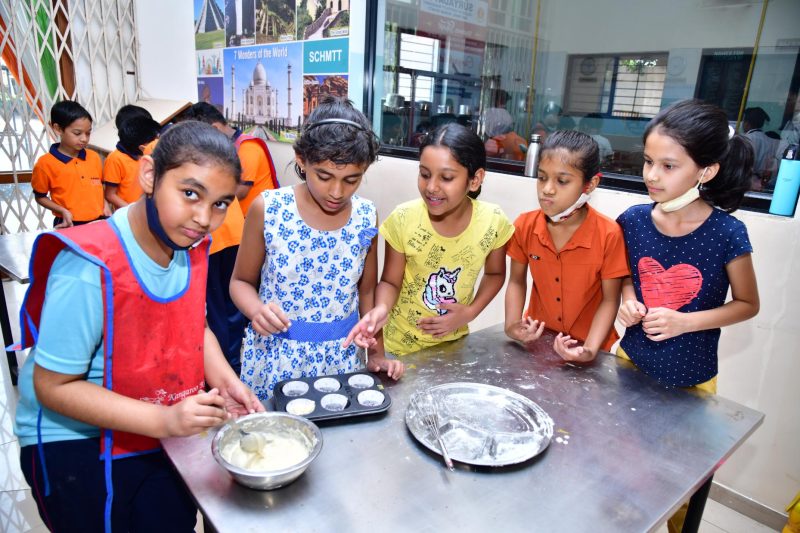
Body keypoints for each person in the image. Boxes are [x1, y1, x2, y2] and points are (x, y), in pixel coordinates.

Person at [13, 121, 264, 532]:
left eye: (220, 203)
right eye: (190, 193)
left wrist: (225, 381)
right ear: (149, 175)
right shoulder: (89, 265)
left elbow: (192, 329)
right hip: (77, 443)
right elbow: (53, 386)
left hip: (156, 423)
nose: (204, 218)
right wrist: (164, 421)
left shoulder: (189, 245)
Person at [615, 99, 759, 533]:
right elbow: (623, 276)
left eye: (668, 165)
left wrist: (685, 321)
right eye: (647, 162)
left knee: (676, 484)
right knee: (623, 470)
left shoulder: (727, 232)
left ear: (706, 171)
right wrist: (627, 298)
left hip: (692, 379)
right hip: (630, 366)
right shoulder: (634, 220)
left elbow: (748, 304)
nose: (651, 175)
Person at [231, 96, 404, 400]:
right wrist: (255, 309)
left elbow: (366, 293)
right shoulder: (268, 209)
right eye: (324, 176)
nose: (337, 192)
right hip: (277, 358)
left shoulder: (366, 215)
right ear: (301, 159)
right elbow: (241, 282)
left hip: (340, 359)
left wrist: (377, 354)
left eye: (352, 179)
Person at [344, 123, 514, 356]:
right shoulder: (403, 219)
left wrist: (470, 312)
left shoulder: (493, 222)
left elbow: (495, 274)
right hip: (399, 348)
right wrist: (381, 308)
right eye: (424, 174)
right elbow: (390, 282)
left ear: (475, 180)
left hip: (453, 346)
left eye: (446, 177)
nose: (431, 187)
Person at [504, 130, 629, 362]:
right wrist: (512, 324)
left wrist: (589, 350)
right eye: (542, 177)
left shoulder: (609, 234)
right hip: (538, 338)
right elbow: (516, 280)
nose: (547, 189)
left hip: (590, 345)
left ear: (590, 184)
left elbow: (610, 299)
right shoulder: (525, 225)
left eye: (562, 181)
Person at [189, 101, 279, 214]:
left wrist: (203, 198)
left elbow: (241, 192)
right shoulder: (223, 146)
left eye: (202, 137)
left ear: (215, 129)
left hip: (256, 218)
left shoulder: (248, 148)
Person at [32, 100, 109, 228]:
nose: (84, 138)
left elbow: (99, 187)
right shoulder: (45, 163)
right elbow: (40, 197)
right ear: (58, 129)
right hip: (68, 223)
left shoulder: (94, 157)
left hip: (99, 220)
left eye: (88, 133)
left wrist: (105, 205)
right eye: (77, 133)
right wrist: (62, 211)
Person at [103, 115, 161, 208]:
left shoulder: (152, 154)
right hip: (130, 214)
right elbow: (110, 195)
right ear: (142, 147)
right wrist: (131, 211)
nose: (158, 141)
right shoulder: (115, 159)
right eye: (155, 139)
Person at [742, 107, 778, 190]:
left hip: (746, 183)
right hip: (762, 185)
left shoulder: (745, 139)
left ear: (746, 123)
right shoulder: (771, 141)